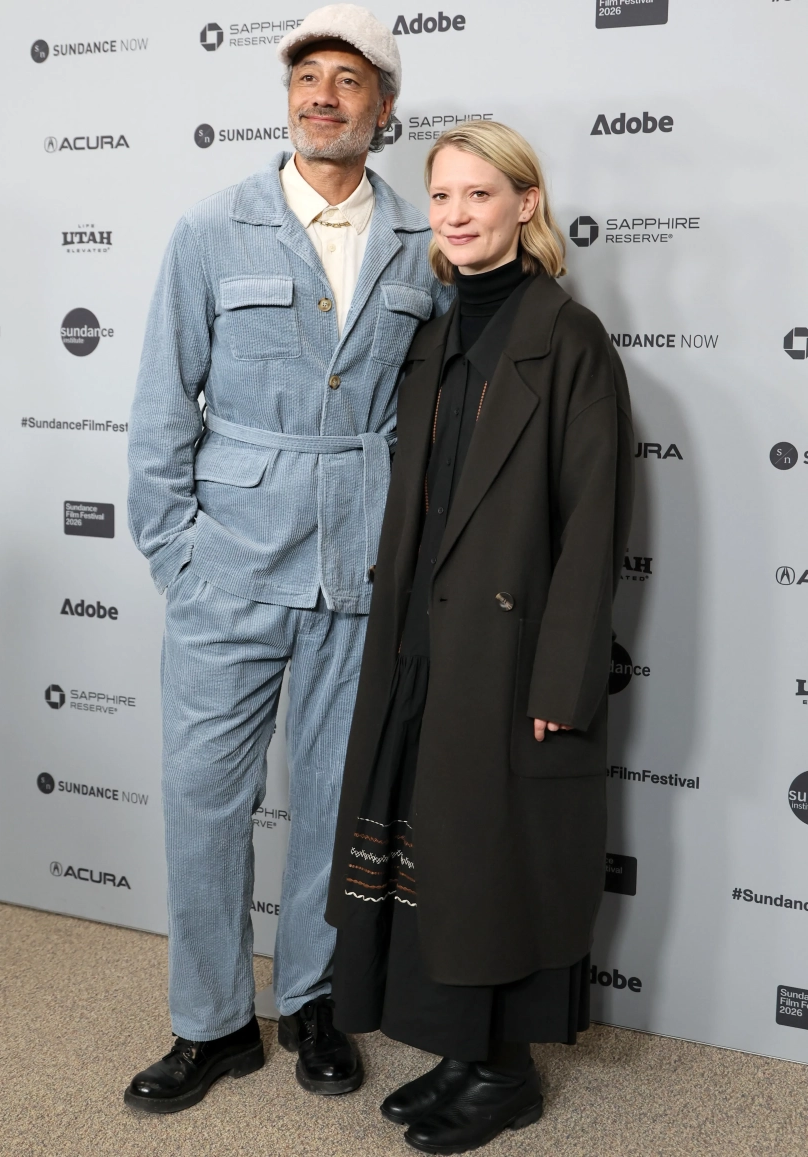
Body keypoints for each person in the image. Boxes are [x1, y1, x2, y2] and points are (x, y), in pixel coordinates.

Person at [124, 3, 452, 1114]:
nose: (323, 95)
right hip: (225, 567)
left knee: (333, 801)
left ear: (383, 109)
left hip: (360, 571)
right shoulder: (210, 227)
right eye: (307, 76)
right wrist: (178, 558)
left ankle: (313, 999)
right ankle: (212, 1021)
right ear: (288, 97)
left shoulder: (422, 239)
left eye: (347, 80)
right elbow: (162, 406)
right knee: (202, 801)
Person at [326, 120, 635, 1154]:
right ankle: (463, 1050)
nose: (456, 216)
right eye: (442, 197)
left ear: (525, 205)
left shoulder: (569, 338)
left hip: (508, 652)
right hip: (419, 638)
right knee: (442, 851)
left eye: (479, 195)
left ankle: (506, 1072)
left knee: (496, 855)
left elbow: (595, 523)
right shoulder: (435, 332)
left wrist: (564, 676)